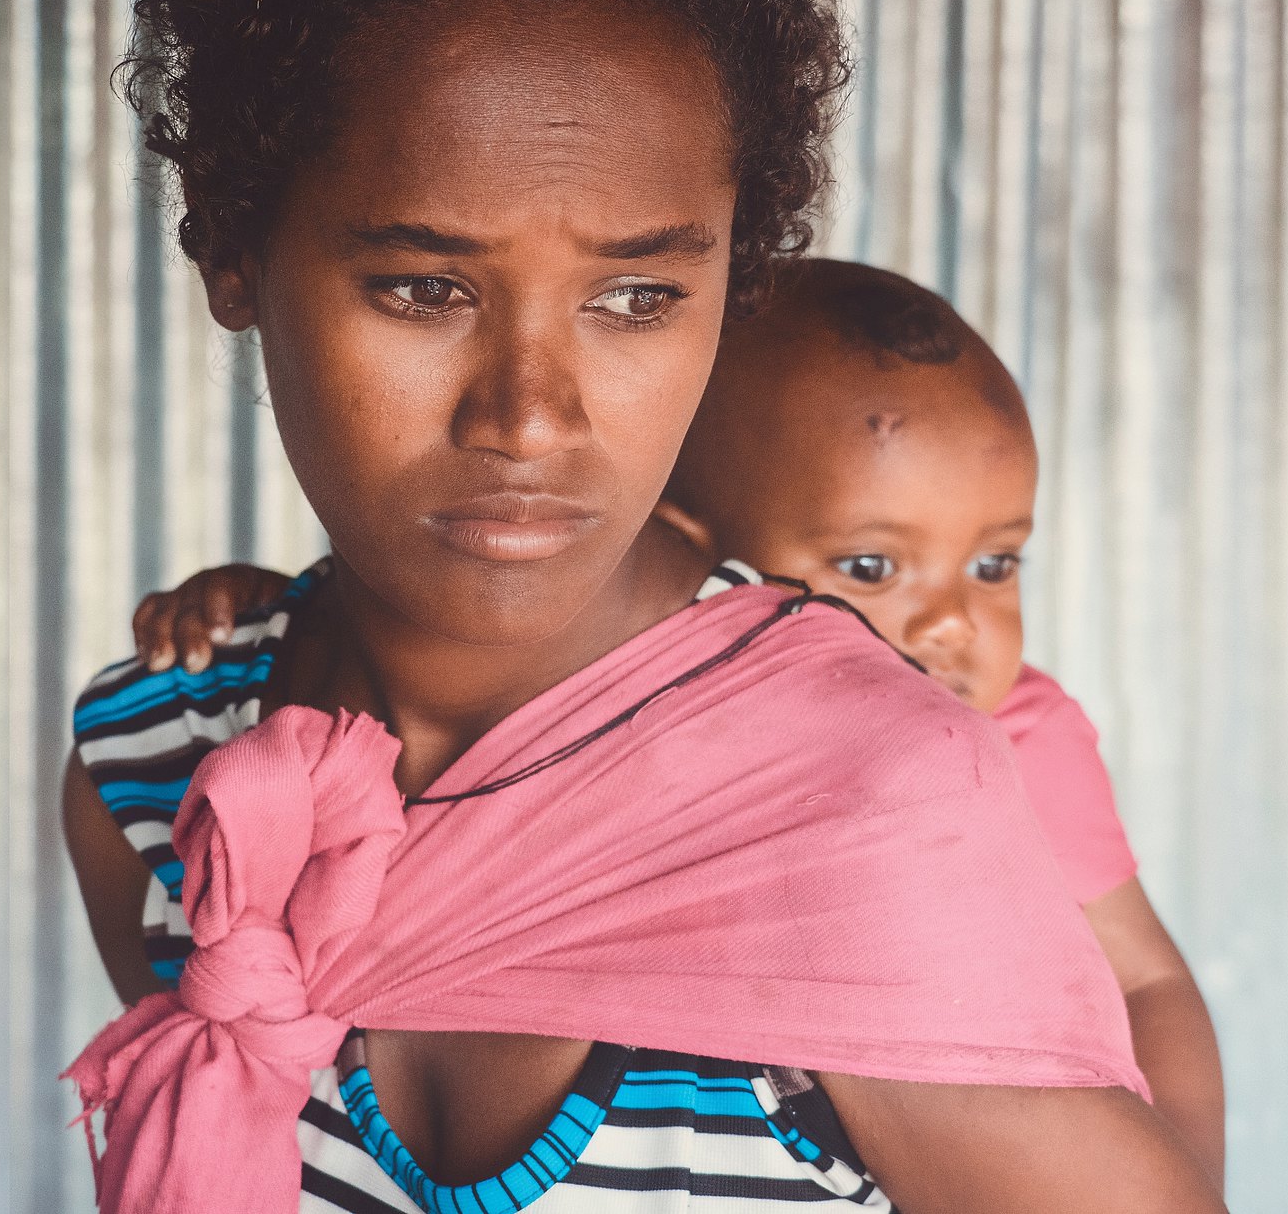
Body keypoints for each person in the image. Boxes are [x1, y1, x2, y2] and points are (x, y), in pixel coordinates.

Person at [61, 0, 1227, 1209]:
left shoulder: (854, 801)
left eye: (635, 299)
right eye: (426, 285)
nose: (533, 418)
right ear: (234, 247)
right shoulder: (155, 759)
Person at [133, 262, 1229, 1189]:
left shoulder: (1006, 739)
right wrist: (260, 596)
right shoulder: (253, 713)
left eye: (994, 562)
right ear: (703, 562)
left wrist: (1182, 1163)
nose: (950, 621)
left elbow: (1145, 980)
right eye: (867, 566)